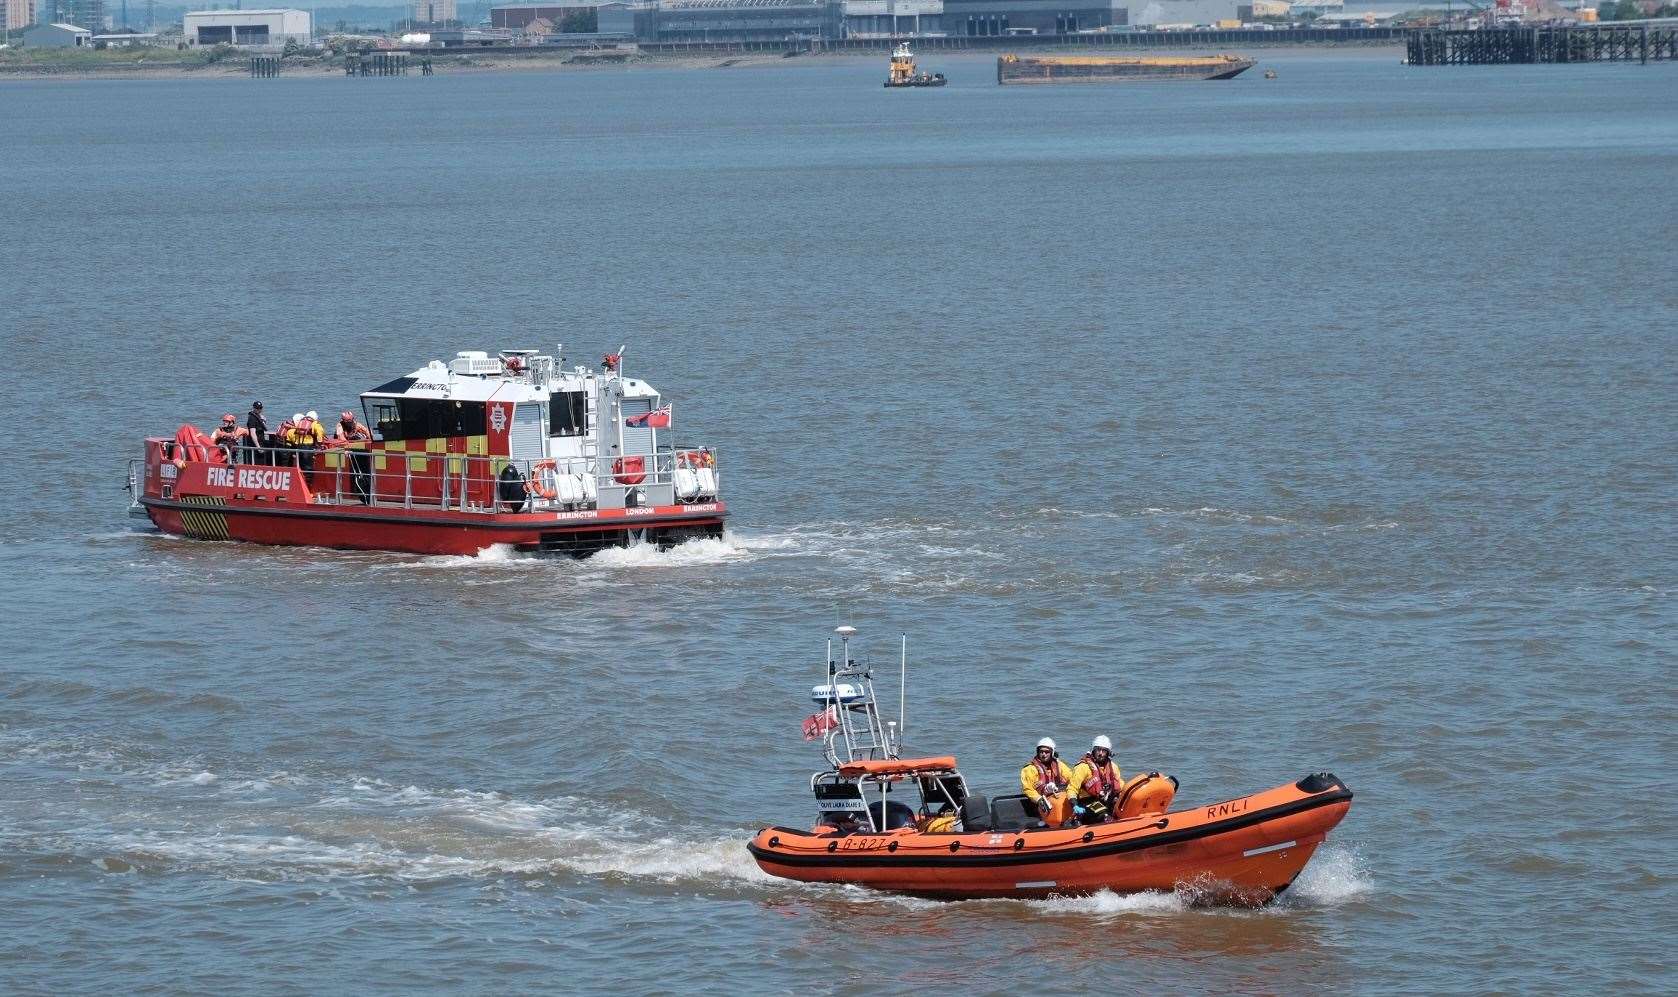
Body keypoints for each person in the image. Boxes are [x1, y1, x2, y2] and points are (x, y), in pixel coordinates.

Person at [1020, 737, 1075, 828]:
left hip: (1058, 796)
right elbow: (1028, 789)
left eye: (1046, 752)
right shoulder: (1030, 769)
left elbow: (1072, 778)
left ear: (1052, 753)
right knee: (1056, 805)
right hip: (1041, 803)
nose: (1044, 754)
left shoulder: (1059, 765)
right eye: (1041, 752)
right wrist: (1040, 800)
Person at [1071, 735, 1123, 825]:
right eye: (1098, 750)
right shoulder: (1083, 767)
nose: (1101, 753)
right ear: (1093, 751)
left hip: (1105, 800)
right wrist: (1075, 805)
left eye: (1104, 751)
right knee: (1105, 815)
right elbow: (1072, 789)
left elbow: (1120, 786)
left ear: (1108, 753)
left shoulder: (1113, 767)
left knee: (1122, 810)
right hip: (1087, 802)